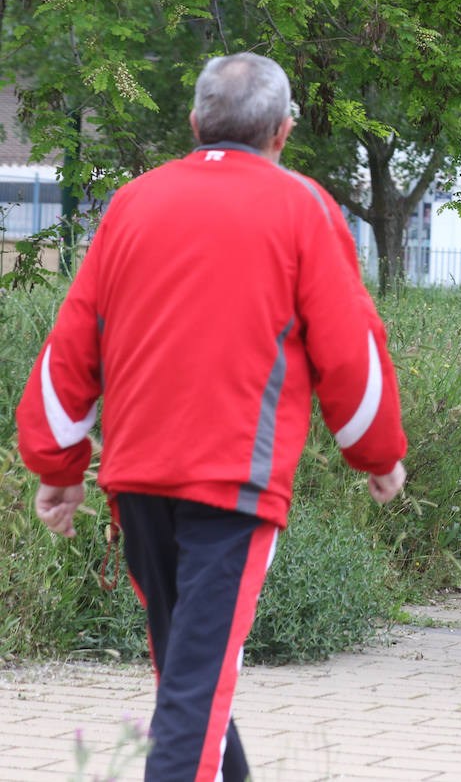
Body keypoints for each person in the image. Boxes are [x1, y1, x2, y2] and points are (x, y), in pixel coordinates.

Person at [16, 52, 409, 782]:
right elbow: (351, 350)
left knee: (189, 675)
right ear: (283, 132)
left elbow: (73, 342)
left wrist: (57, 465)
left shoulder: (132, 203)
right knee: (193, 692)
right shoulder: (304, 207)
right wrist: (377, 453)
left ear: (194, 123)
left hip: (137, 486)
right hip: (233, 487)